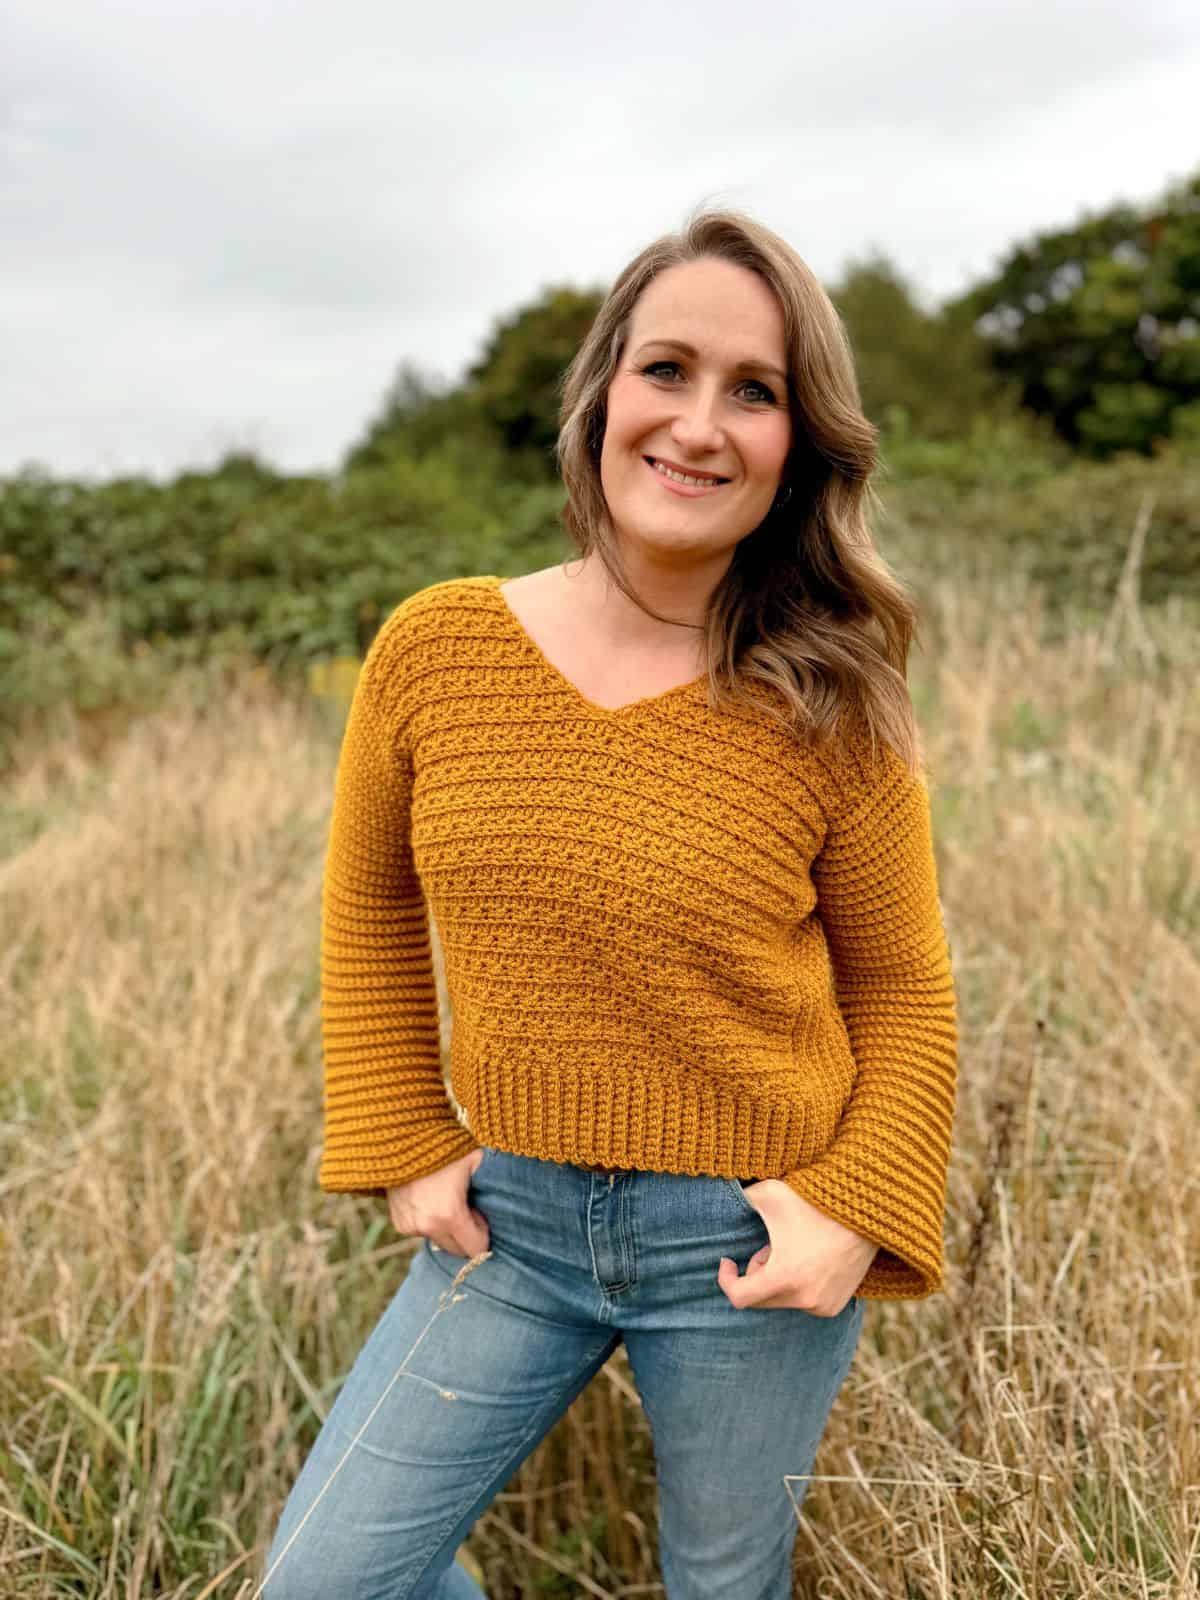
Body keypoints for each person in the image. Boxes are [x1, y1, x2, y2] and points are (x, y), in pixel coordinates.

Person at [260, 206, 959, 1600]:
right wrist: (402, 1131)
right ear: (600, 398)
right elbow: (372, 901)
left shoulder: (828, 700)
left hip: (748, 1231)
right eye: (668, 371)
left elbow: (903, 984)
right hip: (510, 1219)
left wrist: (854, 1204)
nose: (701, 425)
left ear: (796, 445)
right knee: (329, 1581)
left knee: (722, 1585)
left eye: (753, 392)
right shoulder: (440, 647)